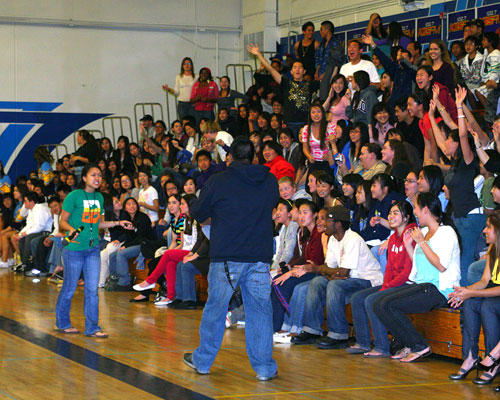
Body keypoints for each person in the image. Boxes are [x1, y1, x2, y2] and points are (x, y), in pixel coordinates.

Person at [183, 137, 279, 381]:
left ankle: (203, 361)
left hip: (226, 256)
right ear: (254, 156)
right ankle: (264, 369)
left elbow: (198, 212)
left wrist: (195, 201)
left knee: (216, 308)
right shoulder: (269, 180)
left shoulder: (219, 180)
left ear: (231, 157)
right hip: (259, 255)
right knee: (260, 312)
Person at [373, 192, 461, 362]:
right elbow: (420, 265)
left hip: (439, 289)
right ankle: (408, 343)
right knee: (379, 303)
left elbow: (440, 265)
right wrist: (408, 246)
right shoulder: (425, 231)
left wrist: (421, 242)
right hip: (421, 286)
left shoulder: (446, 232)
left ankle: (419, 345)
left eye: (417, 209)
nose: (415, 213)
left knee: (386, 304)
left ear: (426, 210)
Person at [55, 163, 133, 337]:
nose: (97, 178)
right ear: (84, 178)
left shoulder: (99, 198)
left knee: (92, 289)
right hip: (74, 250)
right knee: (69, 287)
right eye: (93, 175)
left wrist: (117, 223)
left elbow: (97, 222)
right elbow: (62, 221)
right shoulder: (74, 196)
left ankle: (92, 327)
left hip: (92, 249)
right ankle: (62, 322)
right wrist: (70, 230)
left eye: (99, 175)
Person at [291, 205, 383, 348]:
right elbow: (329, 269)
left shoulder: (352, 239)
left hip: (368, 280)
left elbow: (343, 272)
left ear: (338, 224)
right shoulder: (333, 239)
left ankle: (338, 335)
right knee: (317, 282)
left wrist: (317, 268)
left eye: (327, 221)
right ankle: (312, 330)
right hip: (349, 280)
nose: (322, 224)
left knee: (334, 285)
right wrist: (326, 271)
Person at [349, 201, 417, 356]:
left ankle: (381, 347)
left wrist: (387, 287)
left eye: (395, 213)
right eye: (390, 213)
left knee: (372, 299)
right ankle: (363, 342)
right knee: (357, 297)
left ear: (406, 217)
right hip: (394, 283)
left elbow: (408, 271)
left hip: (408, 284)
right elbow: (390, 268)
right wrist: (386, 285)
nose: (391, 216)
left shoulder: (411, 235)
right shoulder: (393, 238)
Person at [448, 212, 500, 384]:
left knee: (487, 306)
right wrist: (464, 291)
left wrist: (472, 292)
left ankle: (493, 360)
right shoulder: (493, 249)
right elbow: (485, 281)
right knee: (469, 302)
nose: (484, 230)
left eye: (488, 227)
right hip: (493, 293)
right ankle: (471, 356)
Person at [247, 43, 320, 139]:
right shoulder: (286, 83)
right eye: (295, 68)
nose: (297, 70)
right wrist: (259, 55)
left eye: (300, 68)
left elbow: (330, 81)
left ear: (304, 71)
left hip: (305, 123)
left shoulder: (310, 84)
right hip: (289, 124)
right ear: (291, 72)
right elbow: (271, 70)